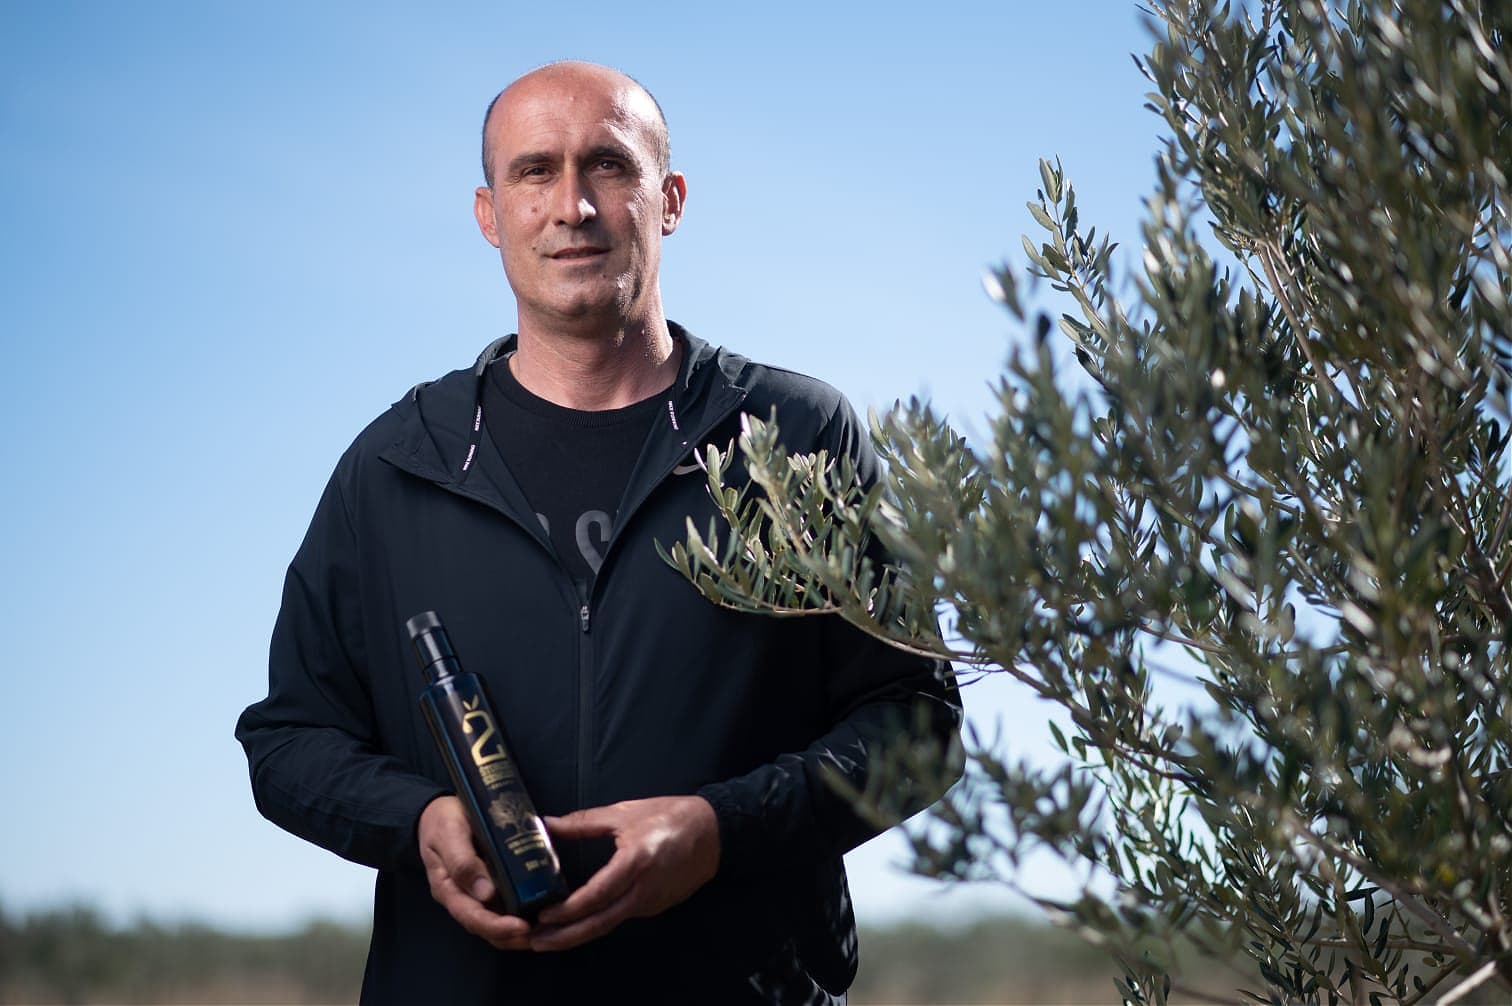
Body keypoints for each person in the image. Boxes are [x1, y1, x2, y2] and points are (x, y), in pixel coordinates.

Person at [236, 60, 961, 1005]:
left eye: (609, 168)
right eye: (535, 172)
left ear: (670, 200)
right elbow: (289, 739)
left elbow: (919, 723)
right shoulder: (393, 466)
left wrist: (719, 830)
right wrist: (417, 820)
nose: (572, 205)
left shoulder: (795, 438)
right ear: (490, 216)